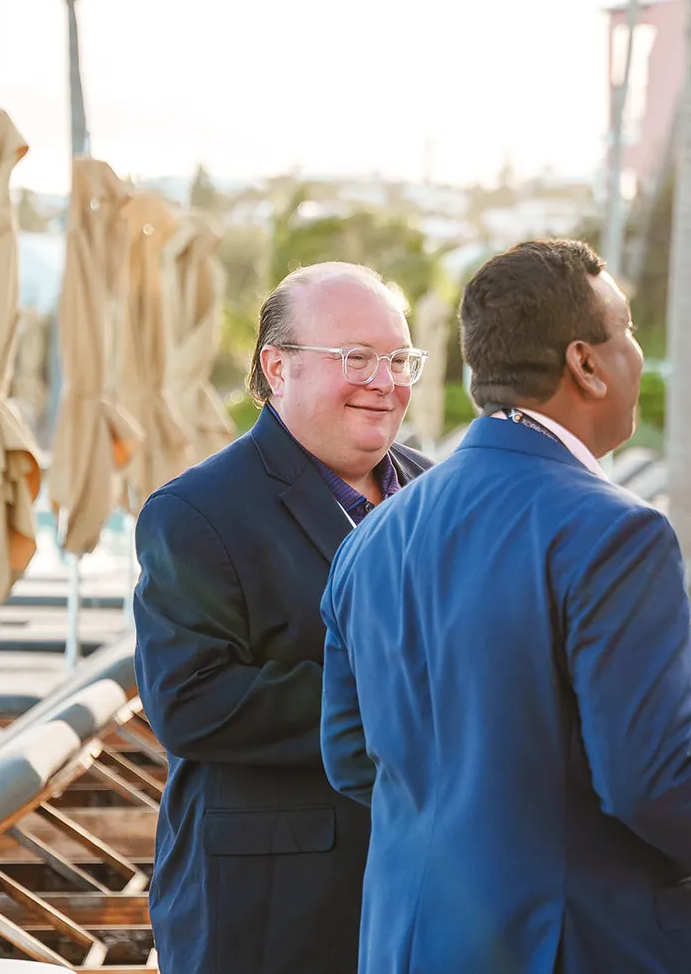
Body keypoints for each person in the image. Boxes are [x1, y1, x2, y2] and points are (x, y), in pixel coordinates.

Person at [319, 239, 691, 974]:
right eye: (631, 329)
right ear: (585, 363)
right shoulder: (617, 532)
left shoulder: (372, 536)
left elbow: (352, 756)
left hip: (412, 941)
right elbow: (650, 777)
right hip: (581, 945)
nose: (640, 355)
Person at [133, 262, 434, 974]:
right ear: (277, 366)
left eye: (398, 358)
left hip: (425, 896)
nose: (383, 380)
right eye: (355, 357)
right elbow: (191, 702)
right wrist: (400, 701)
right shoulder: (196, 512)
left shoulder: (438, 490)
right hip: (267, 912)